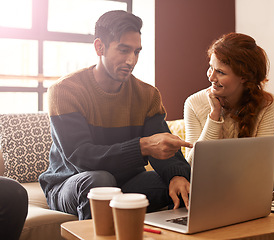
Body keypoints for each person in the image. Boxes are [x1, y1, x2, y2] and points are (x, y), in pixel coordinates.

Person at [39, 10, 192, 220]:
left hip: (127, 182)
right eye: (123, 50)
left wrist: (177, 175)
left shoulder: (147, 95)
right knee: (100, 182)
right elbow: (82, 157)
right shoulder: (65, 91)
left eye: (137, 52)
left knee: (183, 183)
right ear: (99, 47)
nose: (131, 60)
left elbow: (162, 146)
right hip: (72, 183)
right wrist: (142, 146)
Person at [184, 32, 274, 164]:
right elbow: (191, 167)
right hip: (206, 185)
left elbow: (263, 164)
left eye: (220, 72)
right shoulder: (193, 103)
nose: (211, 77)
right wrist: (214, 116)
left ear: (244, 77)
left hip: (249, 183)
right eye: (211, 67)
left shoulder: (266, 104)